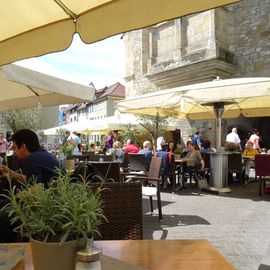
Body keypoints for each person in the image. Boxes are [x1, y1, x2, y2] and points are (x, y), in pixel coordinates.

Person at [0, 129, 60, 242]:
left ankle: (12, 249)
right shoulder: (42, 154)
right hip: (52, 203)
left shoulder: (31, 159)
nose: (14, 152)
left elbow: (36, 191)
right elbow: (34, 181)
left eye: (14, 148)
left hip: (43, 209)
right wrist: (11, 173)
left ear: (23, 146)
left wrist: (15, 198)